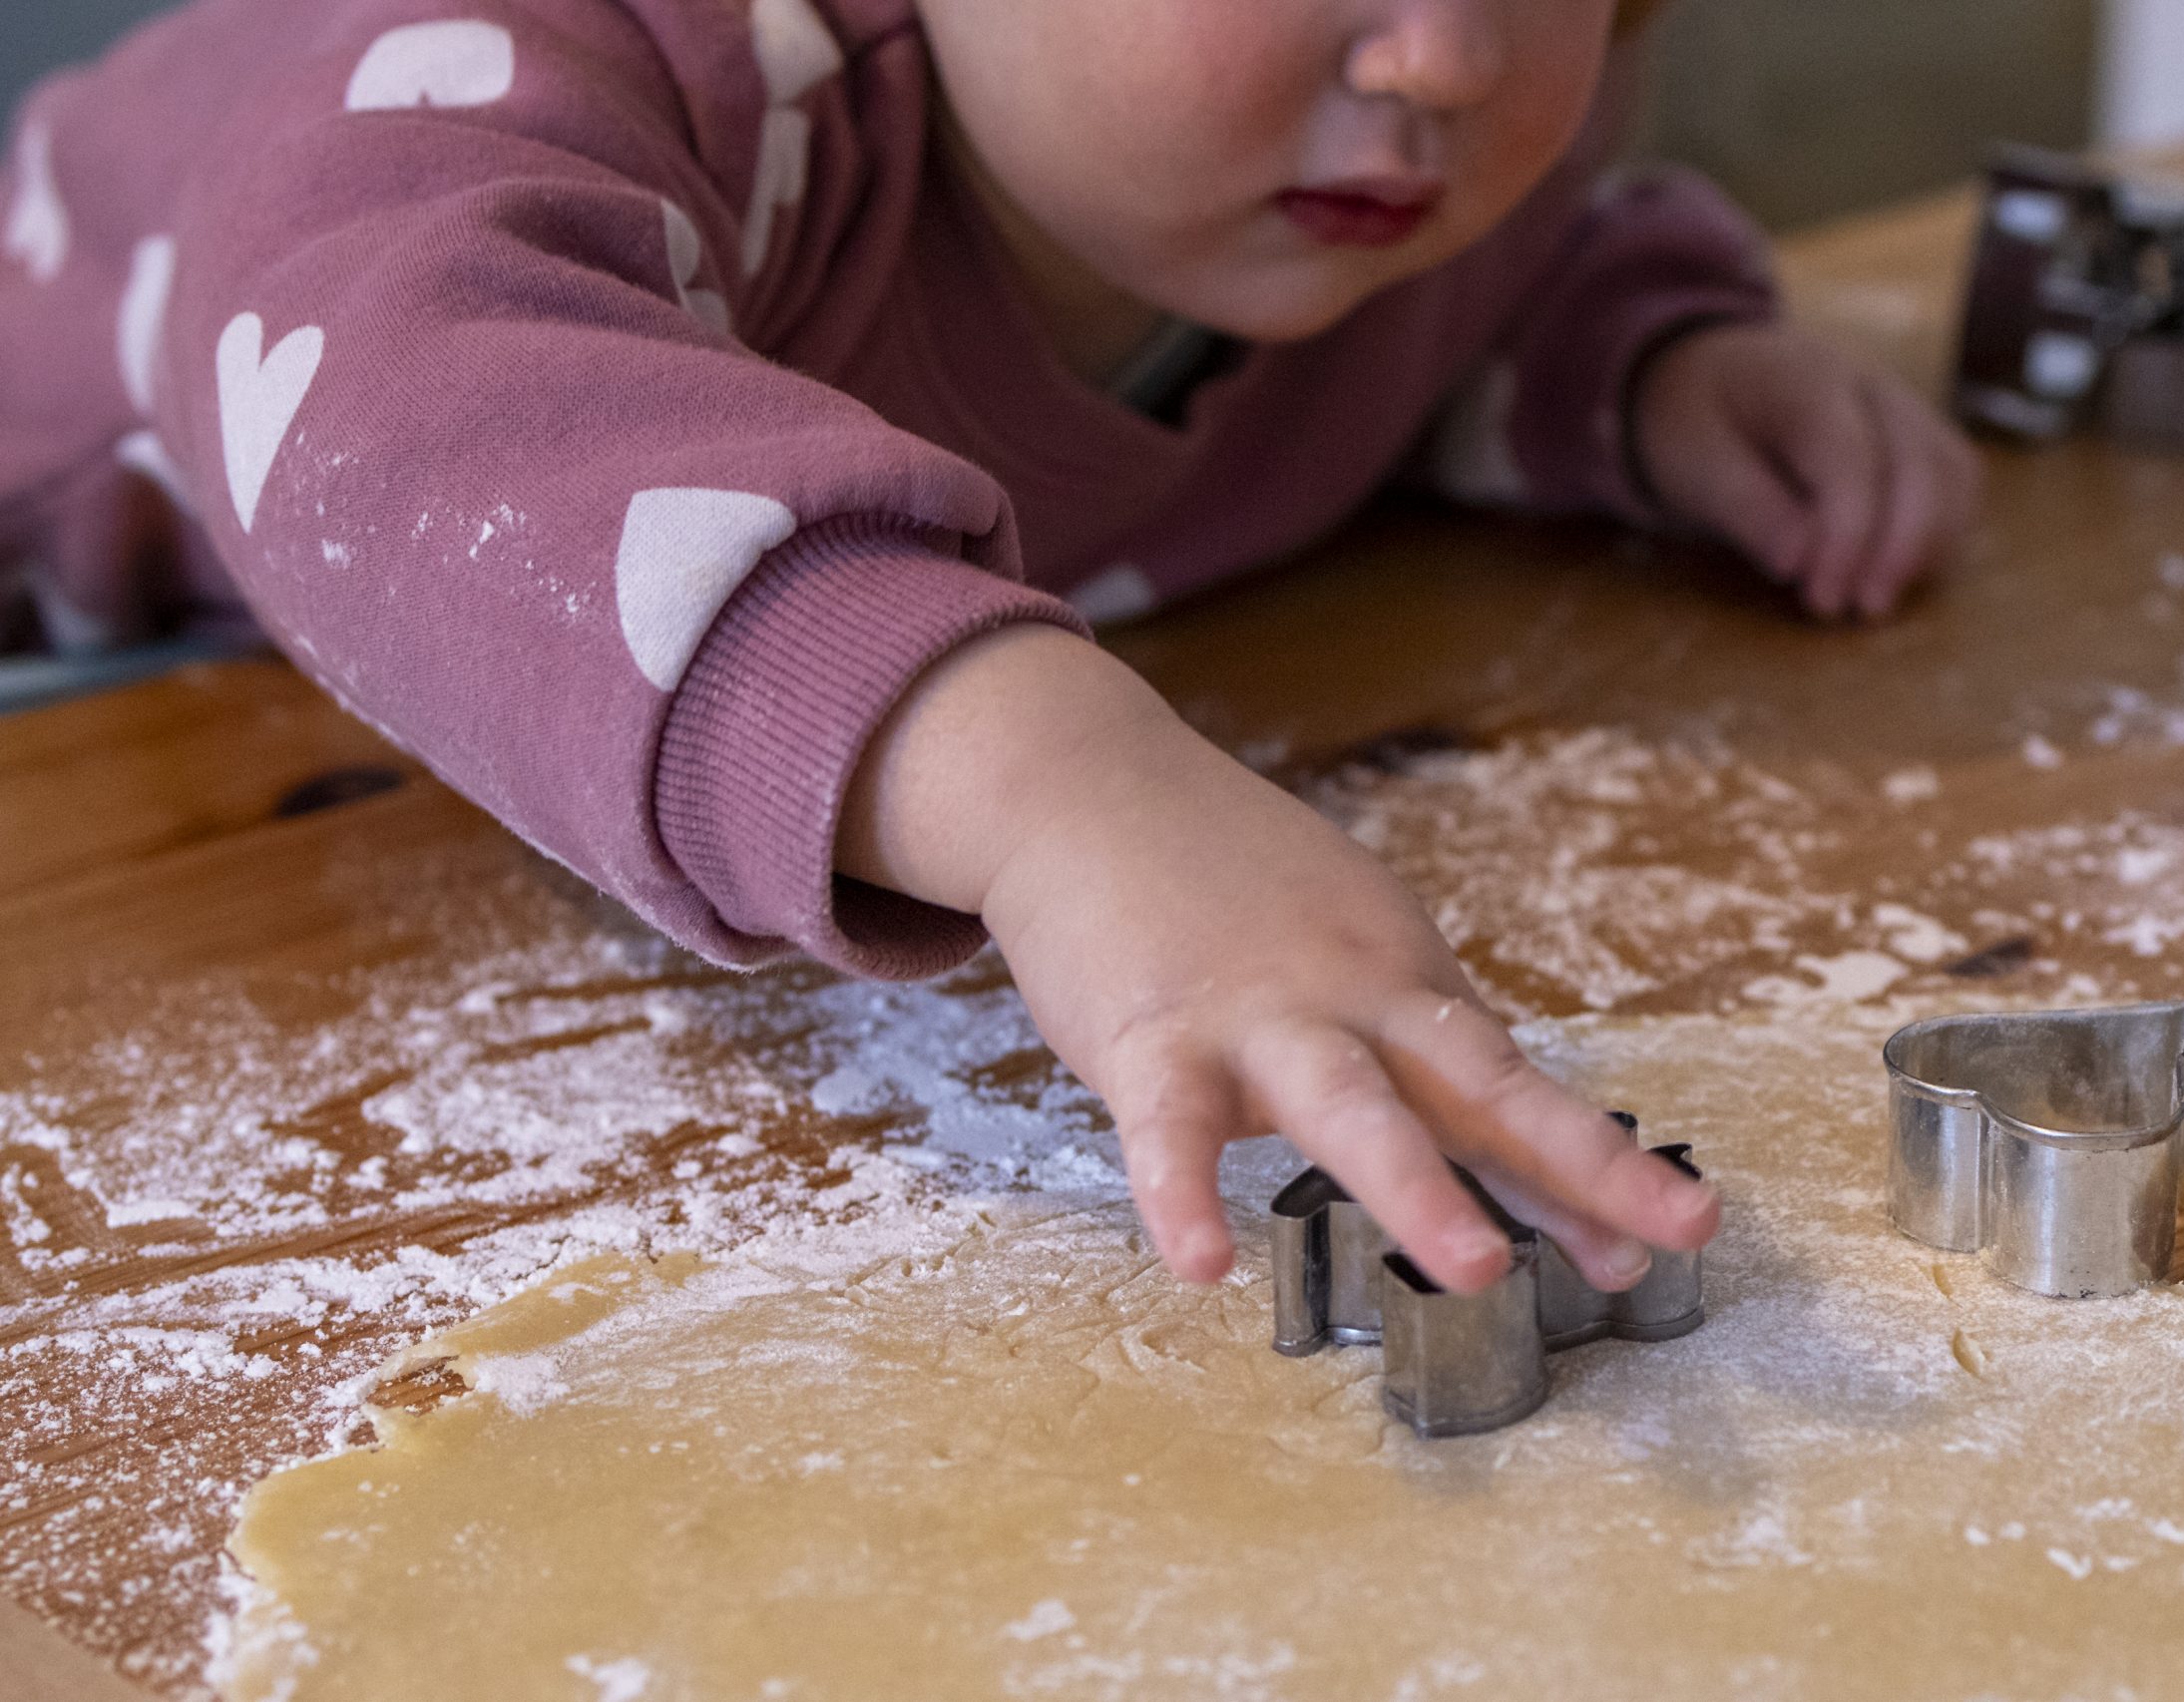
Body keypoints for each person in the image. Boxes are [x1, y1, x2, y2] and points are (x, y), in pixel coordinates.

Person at [0, 0, 1978, 1303]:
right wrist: (1049, 784)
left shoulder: (1367, 162)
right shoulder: (626, 48)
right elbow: (400, 417)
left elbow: (1476, 296)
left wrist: (1644, 371)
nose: (1446, 55)